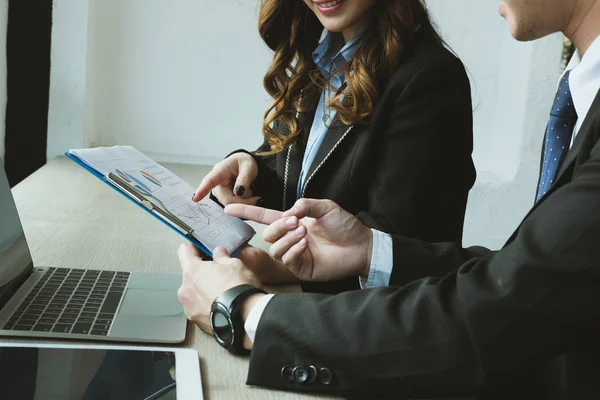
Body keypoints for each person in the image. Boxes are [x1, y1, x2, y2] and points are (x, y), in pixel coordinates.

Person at [178, 0, 600, 397]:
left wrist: (247, 311)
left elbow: (489, 308)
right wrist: (368, 249)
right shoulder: (323, 55)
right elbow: (523, 277)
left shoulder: (428, 74)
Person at [192, 0, 475, 294]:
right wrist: (245, 168)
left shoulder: (430, 78)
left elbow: (397, 245)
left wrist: (277, 268)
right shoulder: (325, 54)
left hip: (370, 323)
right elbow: (298, 173)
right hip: (312, 305)